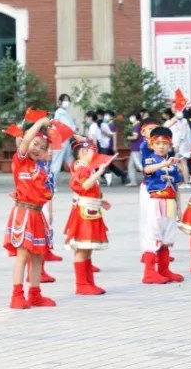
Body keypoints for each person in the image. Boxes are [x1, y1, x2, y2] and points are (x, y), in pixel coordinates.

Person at [6, 117, 56, 309]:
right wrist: (39, 124)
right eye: (35, 144)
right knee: (22, 255)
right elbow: (25, 141)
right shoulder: (21, 161)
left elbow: (45, 194)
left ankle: (35, 294)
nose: (36, 148)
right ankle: (17, 295)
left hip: (37, 215)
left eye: (42, 147)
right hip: (23, 214)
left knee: (37, 256)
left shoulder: (42, 170)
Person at [138, 125, 185, 284]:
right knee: (154, 234)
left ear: (170, 145)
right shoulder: (151, 158)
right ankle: (149, 272)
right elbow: (147, 169)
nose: (162, 146)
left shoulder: (172, 164)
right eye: (158, 143)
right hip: (156, 201)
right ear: (151, 144)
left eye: (165, 143)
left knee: (168, 236)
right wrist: (164, 164)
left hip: (170, 202)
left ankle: (164, 269)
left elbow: (176, 187)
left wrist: (179, 208)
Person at [64, 139, 112, 295]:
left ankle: (88, 282)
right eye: (93, 151)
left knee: (87, 248)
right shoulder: (82, 169)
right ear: (83, 152)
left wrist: (100, 201)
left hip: (90, 208)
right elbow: (84, 186)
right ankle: (82, 284)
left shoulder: (85, 168)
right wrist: (100, 171)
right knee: (82, 247)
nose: (96, 154)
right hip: (84, 212)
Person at [50, 94, 76, 175]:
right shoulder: (59, 113)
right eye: (65, 100)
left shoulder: (64, 113)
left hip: (65, 139)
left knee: (70, 159)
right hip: (60, 140)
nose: (67, 102)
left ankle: (79, 176)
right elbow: (61, 125)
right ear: (60, 101)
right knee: (56, 162)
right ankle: (51, 184)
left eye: (68, 100)